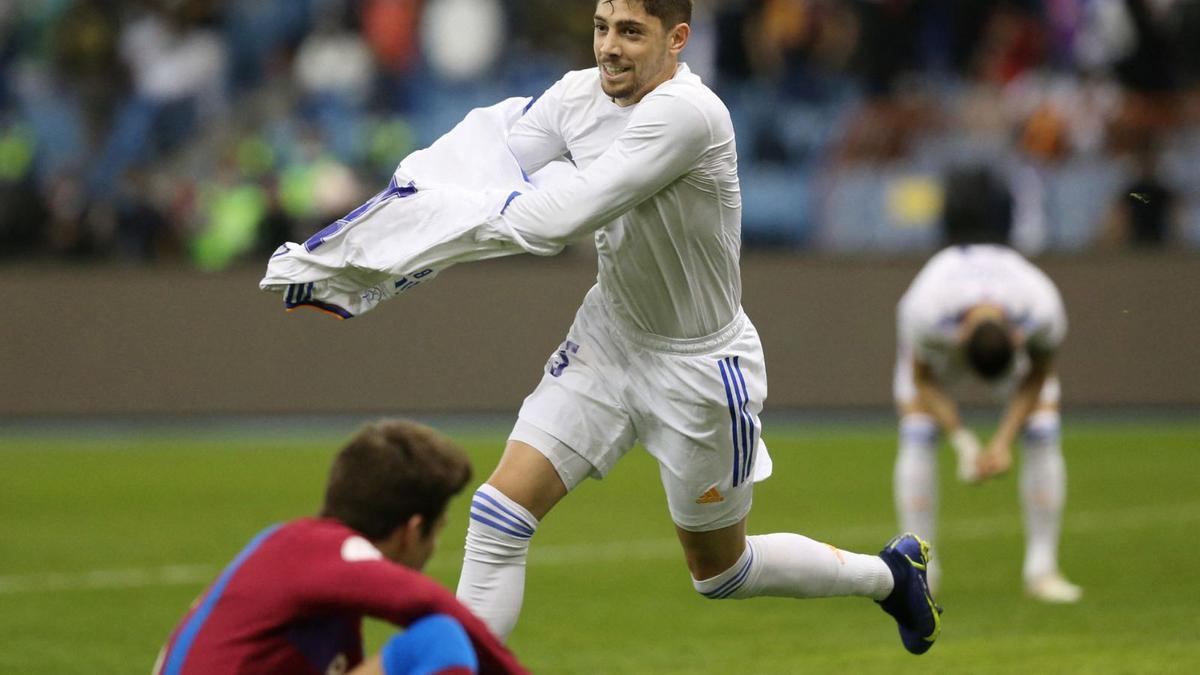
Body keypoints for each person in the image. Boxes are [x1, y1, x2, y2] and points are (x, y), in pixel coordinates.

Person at [454, 0, 941, 656]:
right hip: (610, 335)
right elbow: (493, 160)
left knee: (721, 572)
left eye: (630, 31)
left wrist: (432, 242)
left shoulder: (691, 114)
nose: (609, 47)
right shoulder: (579, 95)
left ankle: (888, 576)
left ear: (677, 38)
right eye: (602, 28)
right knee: (497, 515)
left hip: (699, 371)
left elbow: (562, 217)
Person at [153, 420, 528, 675]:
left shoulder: (290, 547)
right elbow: (429, 602)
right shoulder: (334, 554)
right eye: (437, 530)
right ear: (411, 531)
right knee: (439, 638)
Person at [893, 243, 1082, 603]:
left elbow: (1037, 378)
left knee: (1043, 428)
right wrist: (962, 440)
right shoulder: (925, 313)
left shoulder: (1042, 310)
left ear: (1017, 338)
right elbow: (923, 381)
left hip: (1001, 339)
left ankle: (1042, 571)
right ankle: (920, 574)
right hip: (939, 344)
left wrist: (1001, 442)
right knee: (917, 431)